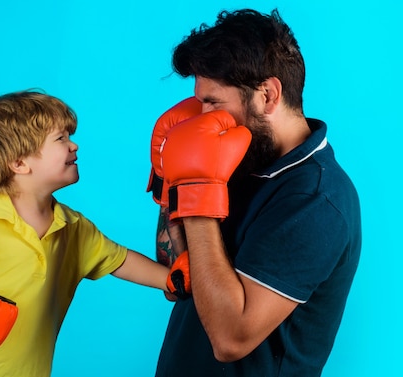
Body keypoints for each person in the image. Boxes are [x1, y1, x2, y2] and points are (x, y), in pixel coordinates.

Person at [149, 8, 362, 376]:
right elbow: (178, 280)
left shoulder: (316, 200)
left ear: (267, 95)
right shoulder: (237, 157)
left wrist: (197, 189)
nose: (201, 116)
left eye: (213, 102)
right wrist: (171, 180)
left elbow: (231, 339)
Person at [0, 90, 173, 377]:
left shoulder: (73, 226)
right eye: (61, 139)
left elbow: (120, 261)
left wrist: (172, 280)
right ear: (19, 163)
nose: (74, 146)